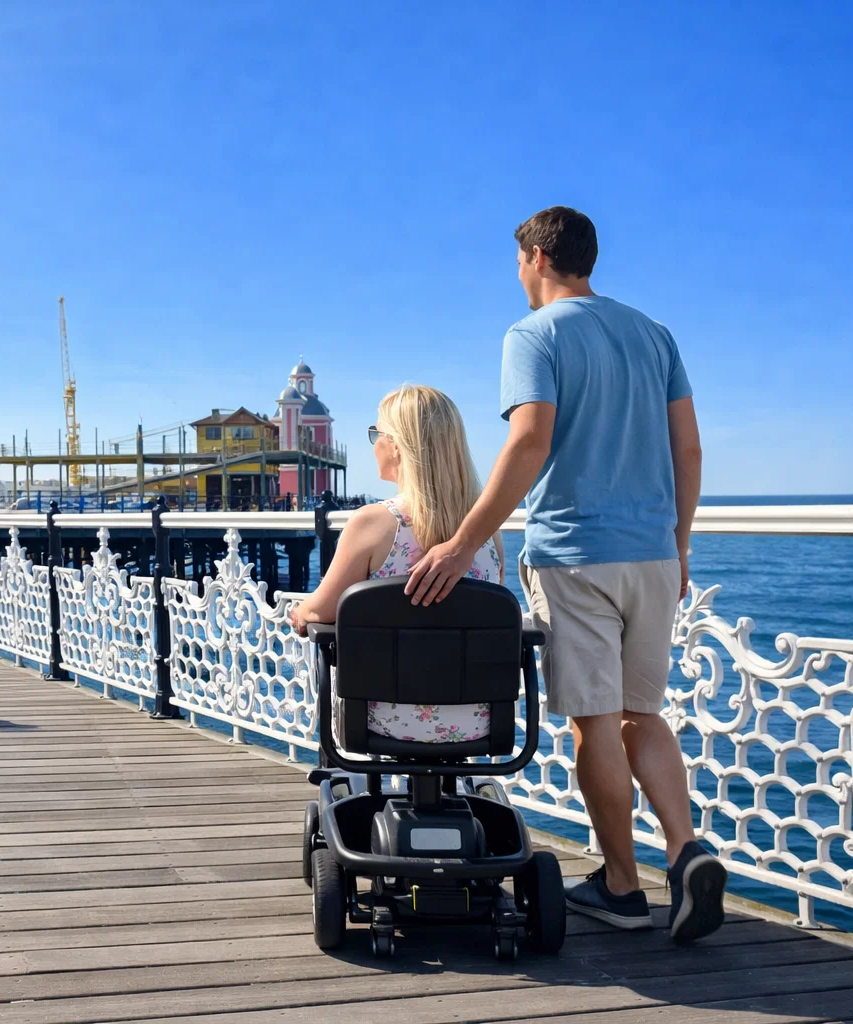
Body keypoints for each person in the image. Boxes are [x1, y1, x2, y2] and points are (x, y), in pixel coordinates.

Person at [404, 206, 724, 942]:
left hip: (577, 554)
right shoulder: (654, 334)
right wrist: (679, 545)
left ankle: (621, 885)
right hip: (653, 554)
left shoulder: (533, 335)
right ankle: (686, 851)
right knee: (643, 714)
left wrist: (458, 545)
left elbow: (529, 443)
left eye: (518, 261)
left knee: (595, 727)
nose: (516, 275)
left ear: (540, 257)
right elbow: (691, 452)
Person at [291, 385, 505, 744]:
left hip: (380, 719)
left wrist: (301, 612)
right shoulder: (487, 533)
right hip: (478, 720)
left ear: (395, 445)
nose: (372, 444)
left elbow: (324, 610)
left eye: (376, 433)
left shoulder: (372, 523)